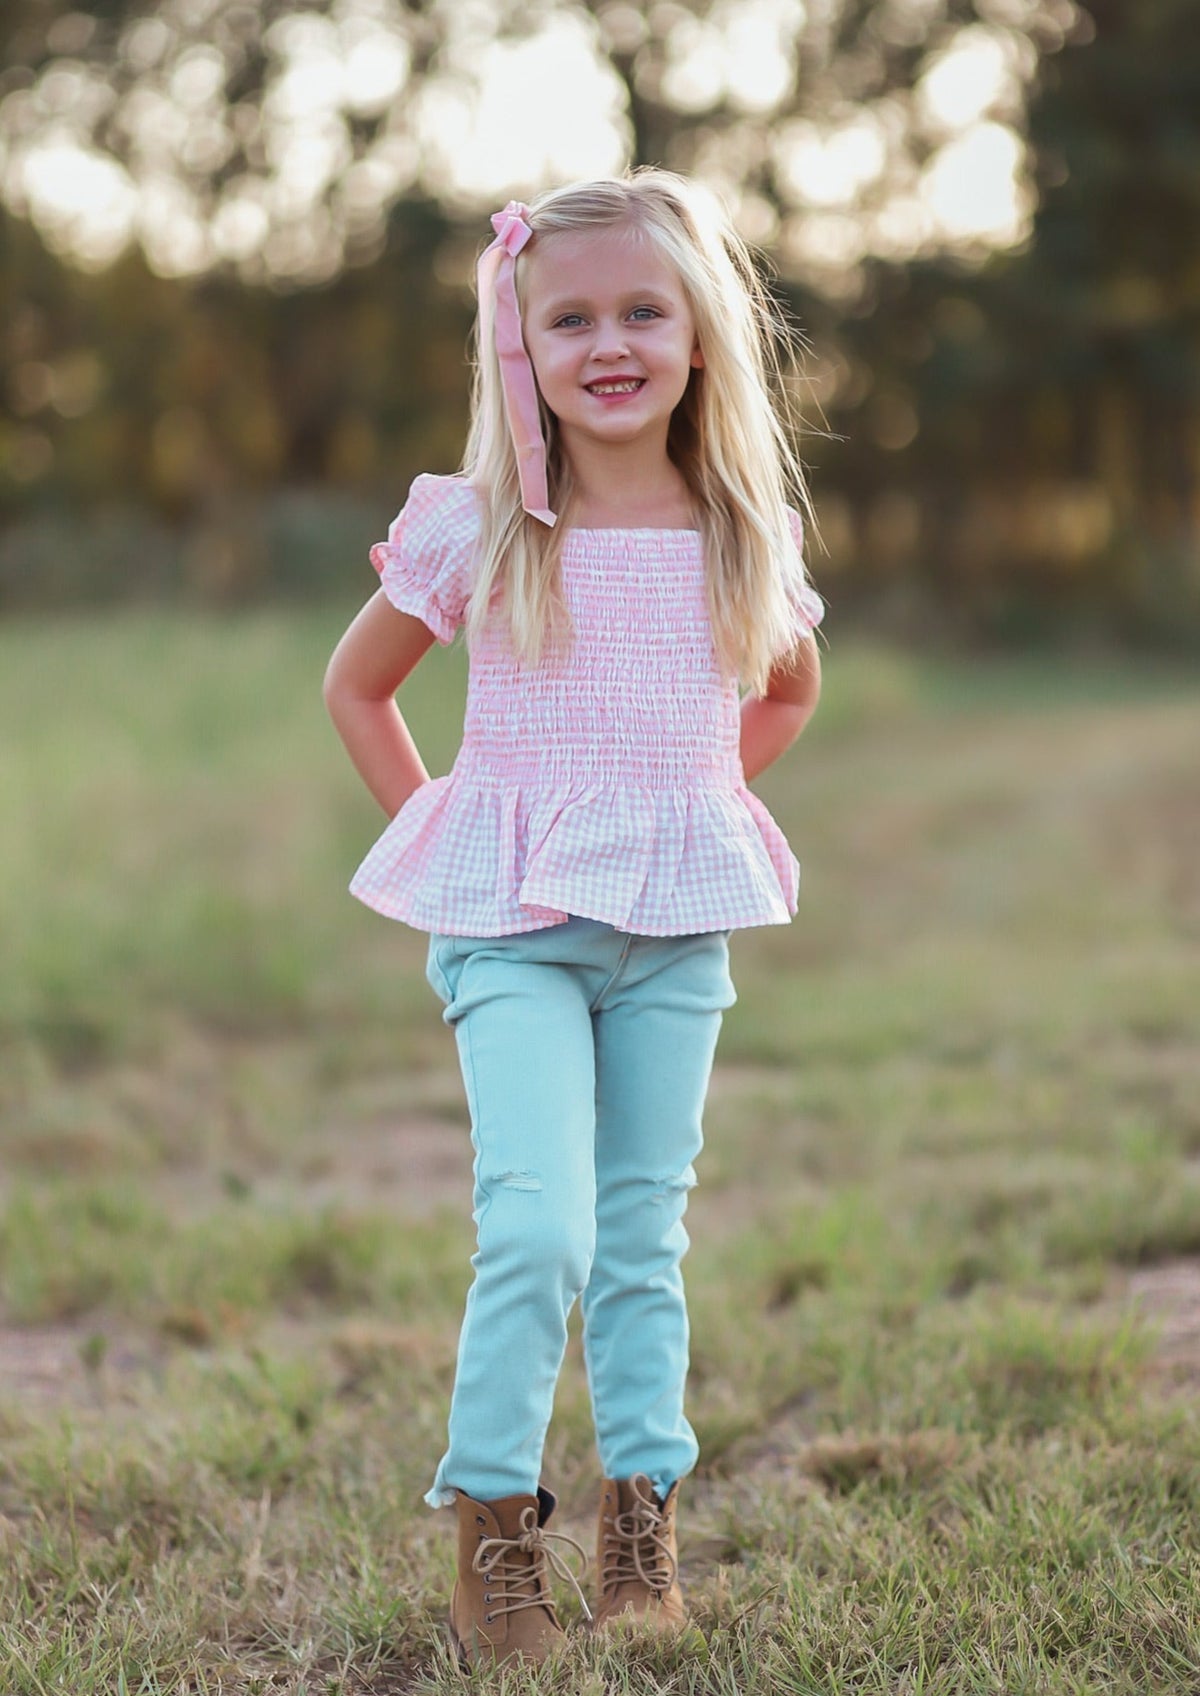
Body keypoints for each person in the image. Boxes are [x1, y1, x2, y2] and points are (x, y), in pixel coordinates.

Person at [323, 170, 824, 1669]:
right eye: (571, 317)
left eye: (642, 311)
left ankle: (640, 1531)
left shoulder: (734, 526)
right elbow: (359, 687)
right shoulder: (485, 525)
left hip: (672, 937)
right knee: (536, 1225)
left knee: (640, 1242)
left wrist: (682, 810)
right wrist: (441, 832)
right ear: (518, 342)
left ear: (698, 335)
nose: (609, 341)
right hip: (515, 931)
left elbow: (790, 688)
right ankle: (494, 1535)